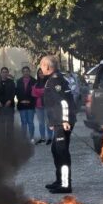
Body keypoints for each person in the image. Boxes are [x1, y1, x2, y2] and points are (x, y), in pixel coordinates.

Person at [41, 55, 76, 194]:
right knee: (55, 150)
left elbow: (64, 102)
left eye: (41, 65)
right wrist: (52, 122)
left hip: (63, 122)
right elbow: (53, 105)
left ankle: (66, 184)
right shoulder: (53, 79)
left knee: (62, 152)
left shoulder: (56, 81)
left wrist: (65, 120)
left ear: (48, 67)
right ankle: (59, 180)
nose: (41, 68)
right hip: (57, 122)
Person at [15, 66, 37, 142]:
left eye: (27, 71)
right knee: (23, 122)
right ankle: (24, 138)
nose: (25, 72)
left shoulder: (34, 81)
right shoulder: (19, 81)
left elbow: (35, 93)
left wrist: (29, 101)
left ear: (29, 72)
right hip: (22, 105)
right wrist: (21, 100)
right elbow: (17, 93)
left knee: (30, 122)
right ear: (22, 72)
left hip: (30, 105)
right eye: (24, 71)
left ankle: (31, 137)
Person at [32, 69, 51, 145]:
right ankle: (43, 138)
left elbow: (49, 92)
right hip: (38, 106)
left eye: (42, 73)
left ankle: (50, 138)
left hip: (47, 105)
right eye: (39, 73)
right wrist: (43, 92)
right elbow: (33, 94)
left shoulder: (49, 83)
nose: (41, 74)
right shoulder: (36, 84)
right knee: (41, 123)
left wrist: (39, 92)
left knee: (48, 123)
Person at [0, 67, 17, 140]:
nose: (4, 73)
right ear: (1, 73)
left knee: (10, 124)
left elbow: (14, 92)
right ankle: (2, 139)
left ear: (8, 73)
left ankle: (10, 139)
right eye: (3, 72)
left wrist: (10, 100)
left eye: (6, 72)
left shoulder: (11, 82)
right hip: (0, 106)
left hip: (9, 106)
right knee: (1, 123)